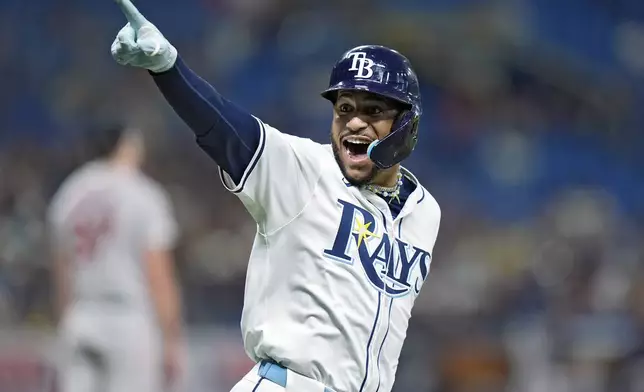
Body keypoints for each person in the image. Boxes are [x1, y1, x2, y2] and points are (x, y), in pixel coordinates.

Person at [110, 1, 441, 391]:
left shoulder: (426, 213)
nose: (353, 121)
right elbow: (225, 128)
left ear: (406, 124)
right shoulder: (303, 169)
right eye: (345, 108)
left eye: (373, 111)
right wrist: (169, 69)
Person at [48, 125, 183, 392]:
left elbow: (62, 269)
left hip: (81, 314)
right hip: (129, 319)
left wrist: (66, 320)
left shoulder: (69, 193)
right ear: (126, 145)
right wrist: (171, 338)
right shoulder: (143, 192)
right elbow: (158, 274)